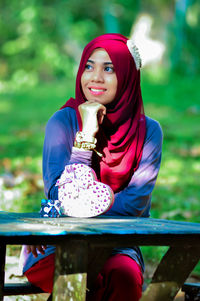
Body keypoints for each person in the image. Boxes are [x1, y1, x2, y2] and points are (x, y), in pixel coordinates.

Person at [21, 33, 163, 301]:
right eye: (89, 65)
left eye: (109, 68)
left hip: (118, 245)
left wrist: (82, 204)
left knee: (123, 278)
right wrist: (86, 135)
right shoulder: (63, 122)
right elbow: (59, 196)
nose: (95, 77)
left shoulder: (149, 132)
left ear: (128, 76)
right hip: (58, 242)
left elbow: (134, 205)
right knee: (86, 276)